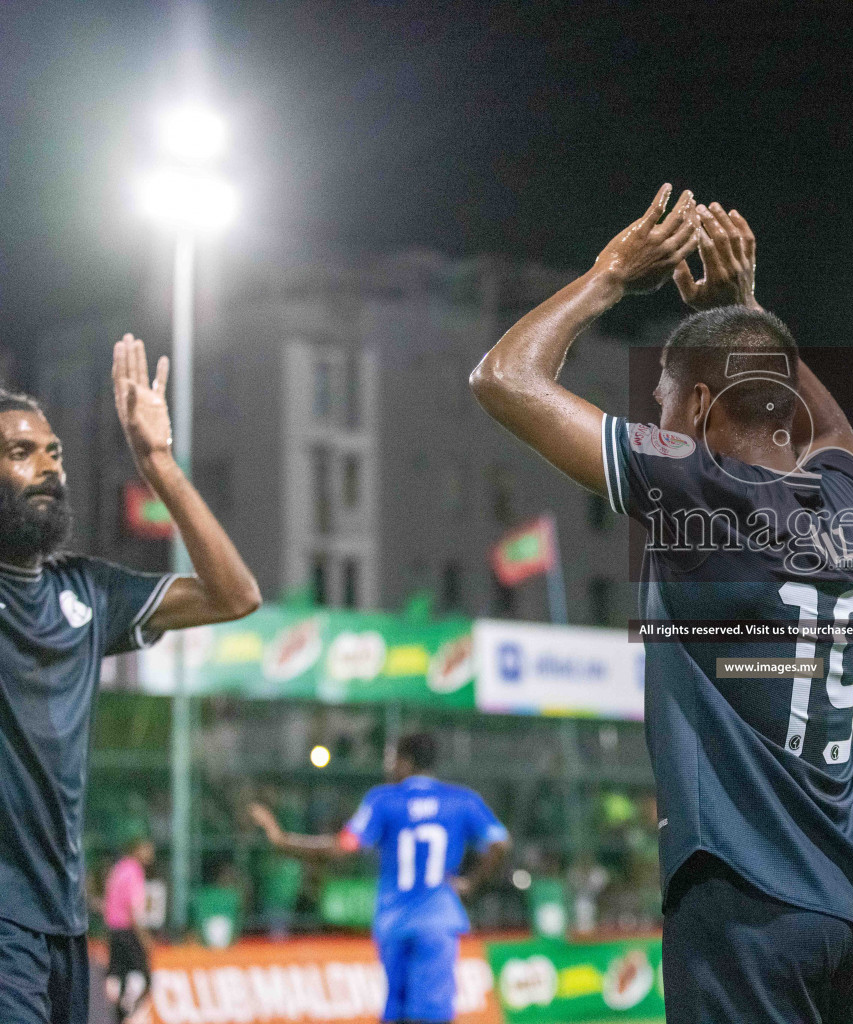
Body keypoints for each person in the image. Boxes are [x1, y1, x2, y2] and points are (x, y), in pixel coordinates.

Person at [469, 186, 853, 1023]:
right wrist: (747, 311)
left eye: (660, 398)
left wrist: (608, 277)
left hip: (750, 899)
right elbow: (832, 432)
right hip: (849, 910)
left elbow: (503, 378)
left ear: (696, 409)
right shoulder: (851, 508)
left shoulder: (697, 488)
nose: (653, 415)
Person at [0, 336, 261, 1024]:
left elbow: (234, 596)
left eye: (53, 452)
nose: (47, 468)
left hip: (62, 922)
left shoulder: (86, 592)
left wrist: (158, 463)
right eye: (20, 453)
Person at [249, 733, 510, 1024]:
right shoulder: (461, 800)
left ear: (406, 762)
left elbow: (342, 847)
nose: (389, 767)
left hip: (394, 922)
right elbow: (500, 843)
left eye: (392, 759)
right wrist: (470, 882)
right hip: (438, 922)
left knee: (396, 1014)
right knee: (432, 1015)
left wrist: (282, 840)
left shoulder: (384, 800)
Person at [101, 836, 155, 1024]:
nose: (151, 852)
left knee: (120, 975)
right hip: (128, 931)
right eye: (147, 847)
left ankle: (120, 1014)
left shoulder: (119, 868)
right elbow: (134, 909)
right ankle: (129, 1015)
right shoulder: (134, 870)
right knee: (146, 978)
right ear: (137, 848)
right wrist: (145, 937)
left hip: (114, 932)